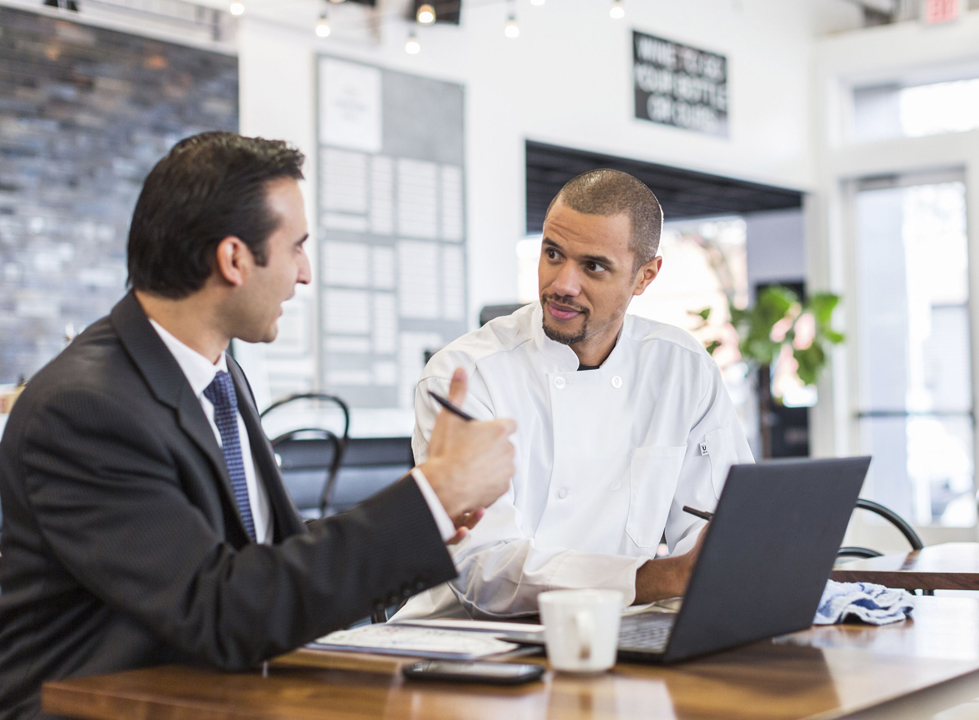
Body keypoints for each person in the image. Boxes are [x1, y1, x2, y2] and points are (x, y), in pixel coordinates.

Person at [0, 132, 515, 719]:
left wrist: (422, 517)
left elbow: (269, 561)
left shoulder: (220, 374)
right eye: (296, 247)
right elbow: (221, 609)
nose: (305, 273)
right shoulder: (85, 408)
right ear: (234, 259)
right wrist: (429, 498)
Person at [396, 168, 753, 620]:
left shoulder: (681, 367)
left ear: (645, 277)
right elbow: (483, 573)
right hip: (464, 640)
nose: (562, 284)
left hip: (618, 628)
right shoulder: (466, 375)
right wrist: (662, 578)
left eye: (593, 266)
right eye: (552, 253)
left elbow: (719, 532)